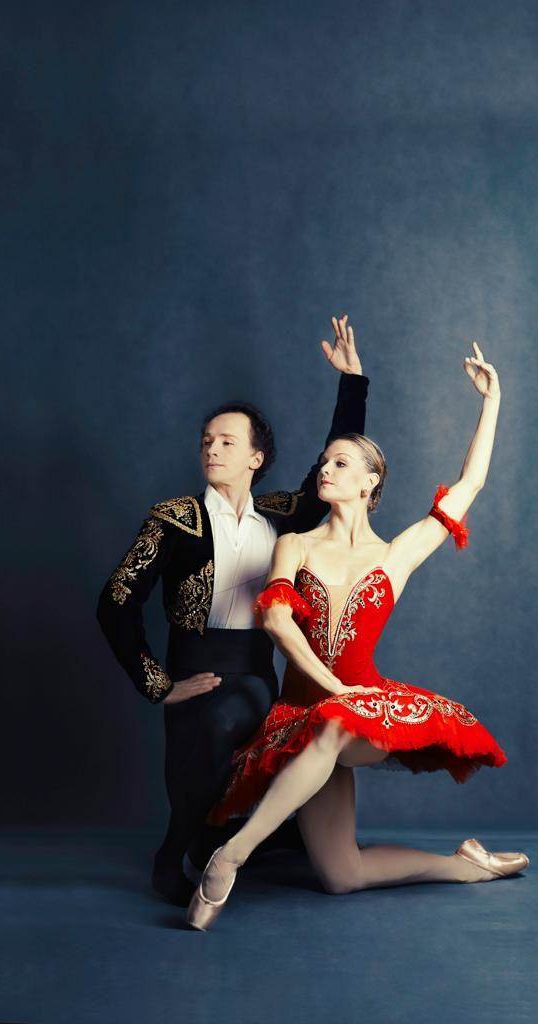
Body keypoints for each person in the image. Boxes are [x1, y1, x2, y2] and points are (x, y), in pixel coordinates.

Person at [186, 340, 530, 931]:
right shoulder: (294, 544)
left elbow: (469, 484)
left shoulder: (395, 556)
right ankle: (466, 866)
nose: (325, 469)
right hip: (305, 713)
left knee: (339, 722)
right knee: (341, 875)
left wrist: (492, 401)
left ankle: (230, 857)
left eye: (341, 463)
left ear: (371, 482)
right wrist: (333, 689)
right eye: (324, 462)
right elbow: (276, 622)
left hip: (363, 711)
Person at [96, 315, 371, 906]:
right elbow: (115, 602)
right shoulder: (175, 517)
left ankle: (215, 843)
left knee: (250, 725)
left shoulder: (279, 513)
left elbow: (336, 463)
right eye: (206, 441)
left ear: (256, 457)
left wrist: (352, 383)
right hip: (195, 667)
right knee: (210, 737)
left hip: (255, 666)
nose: (212, 449)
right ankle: (184, 850)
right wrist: (157, 684)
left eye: (226, 442)